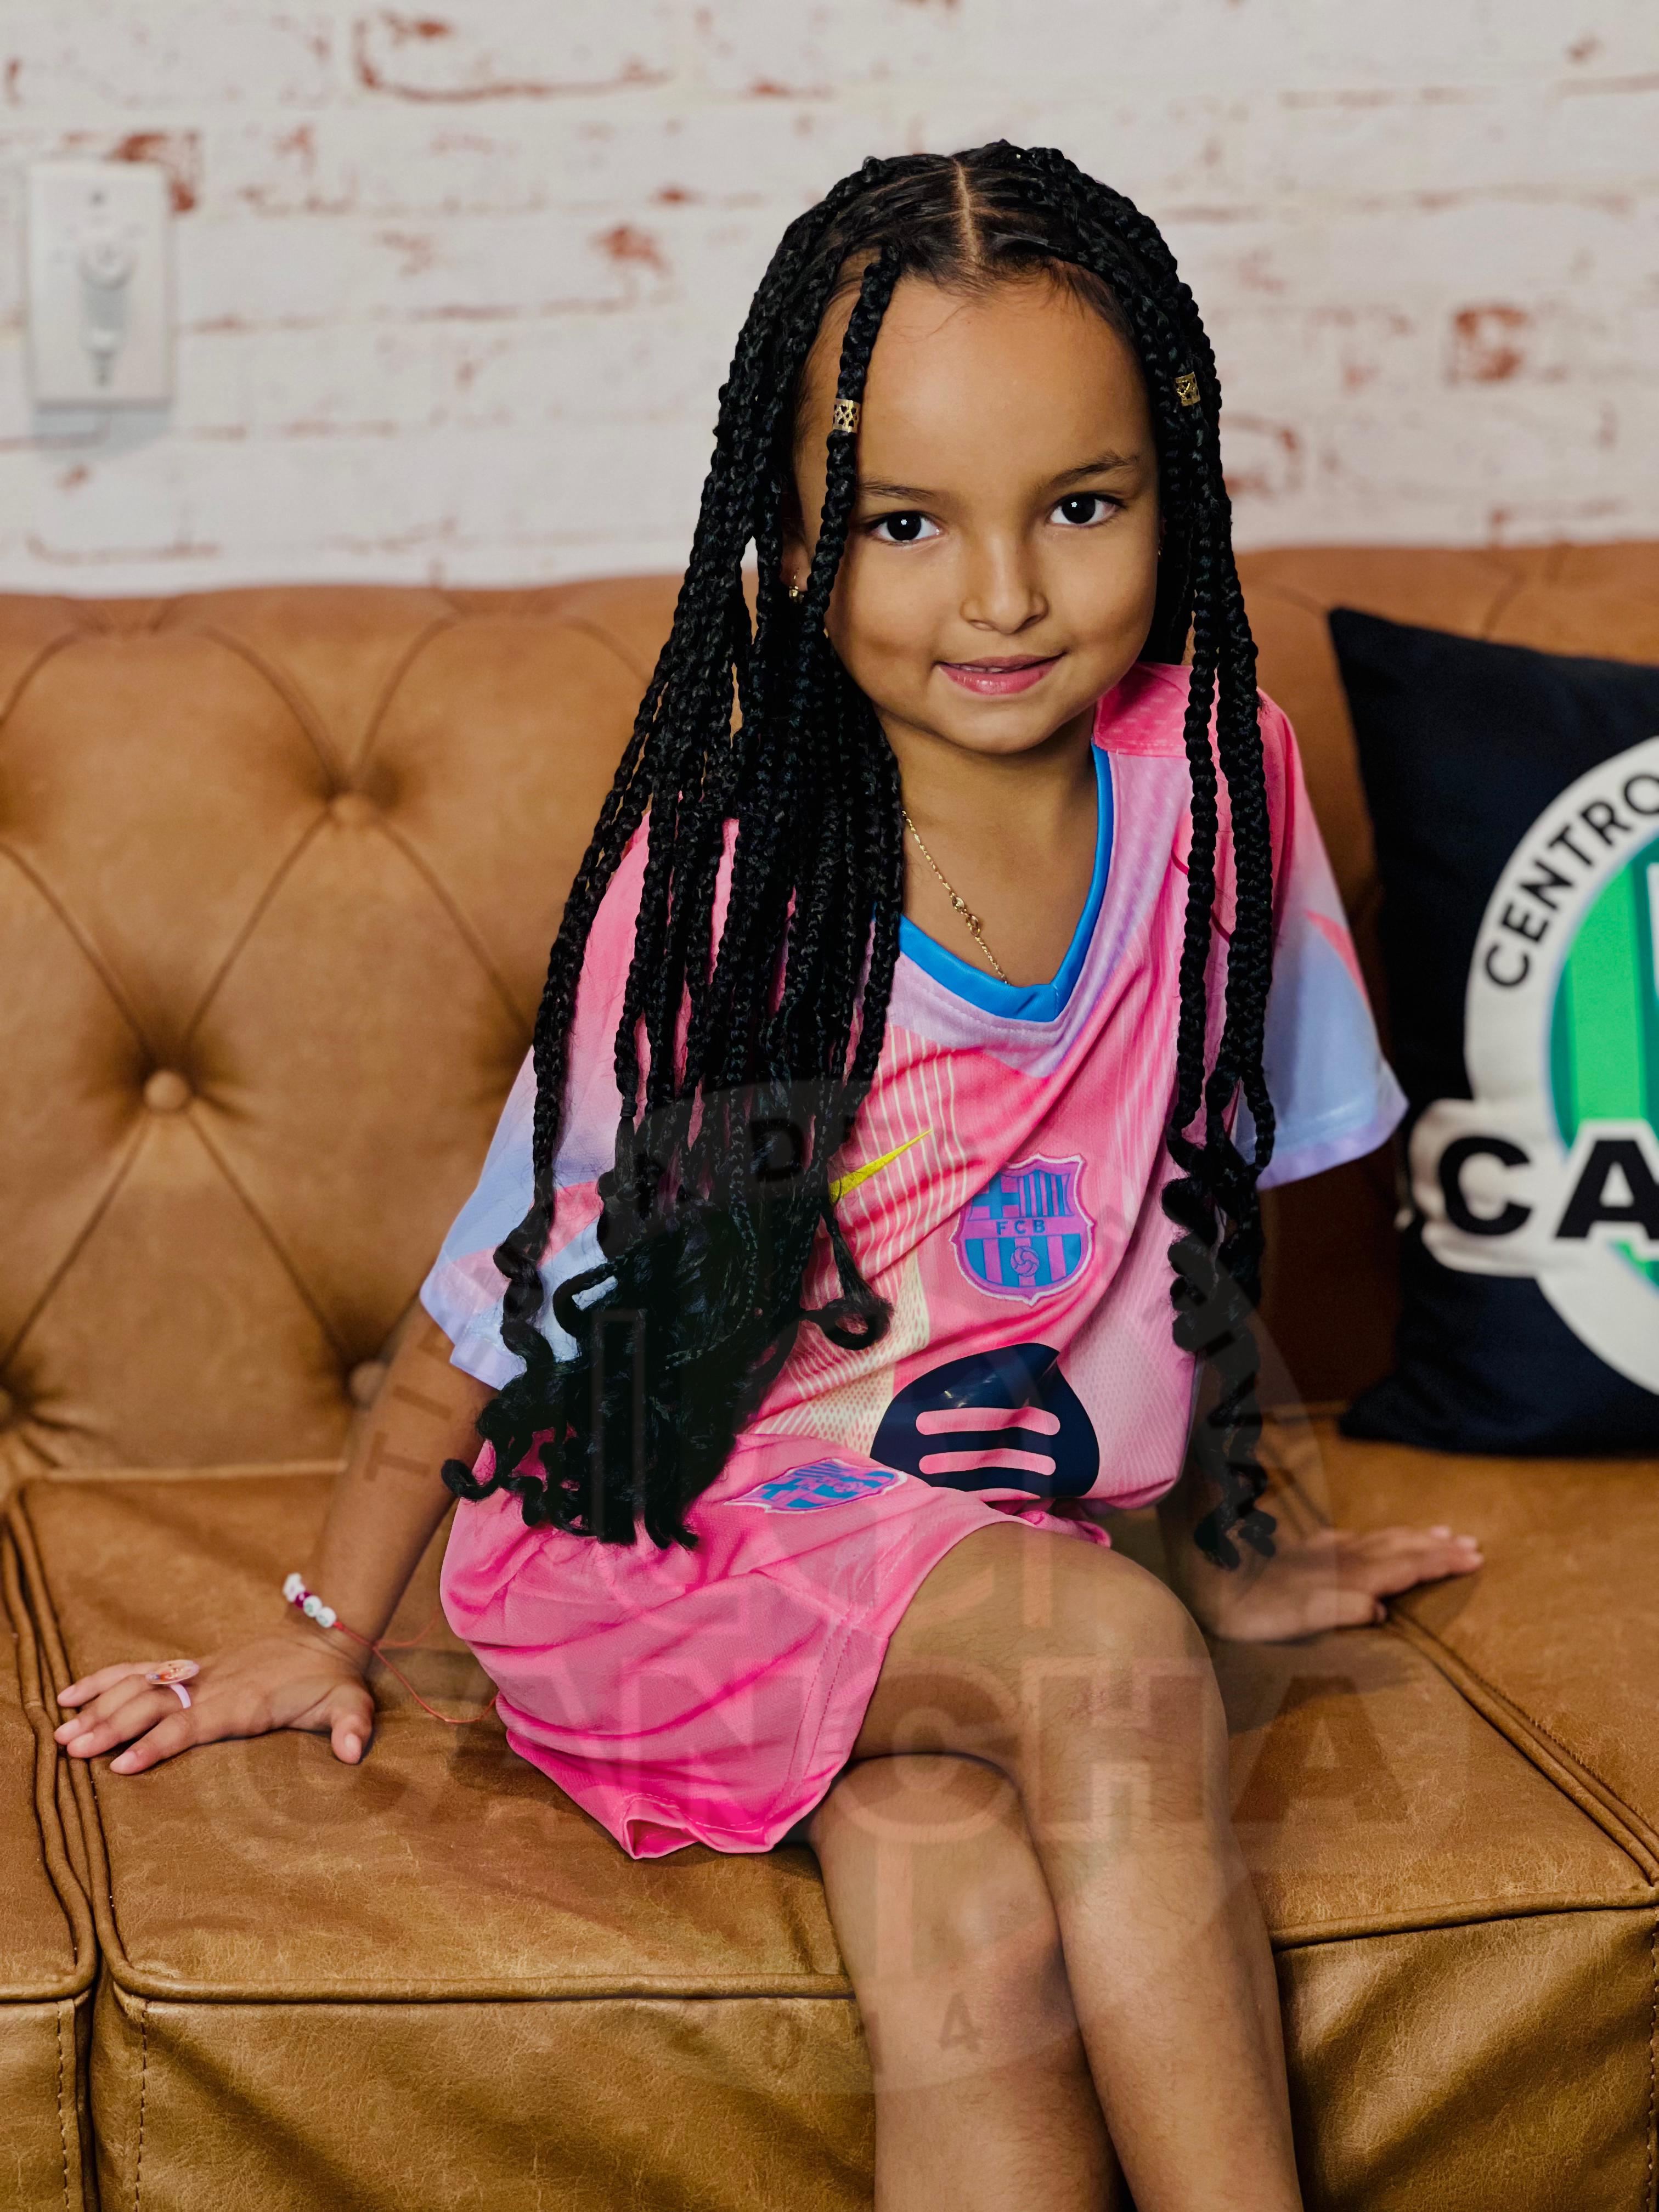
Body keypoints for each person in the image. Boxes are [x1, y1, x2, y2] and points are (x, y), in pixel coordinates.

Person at [54, 145, 1483, 2210]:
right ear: (790, 544)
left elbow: (1192, 1203)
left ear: (1175, 492)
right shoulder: (730, 895)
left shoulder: (1216, 781)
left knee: (975, 1938)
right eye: (904, 524)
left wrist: (1234, 1533)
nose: (1004, 596)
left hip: (960, 1553)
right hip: (668, 1547)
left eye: (1080, 506)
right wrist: (326, 1622)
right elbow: (505, 1299)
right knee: (1109, 1663)